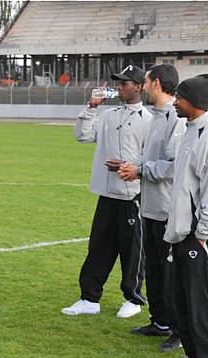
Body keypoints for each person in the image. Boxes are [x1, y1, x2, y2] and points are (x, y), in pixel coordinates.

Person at [159, 74, 208, 358]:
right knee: (183, 300)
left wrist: (202, 234)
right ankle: (192, 354)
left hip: (201, 236)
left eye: (180, 98)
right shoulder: (189, 133)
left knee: (202, 301)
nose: (175, 102)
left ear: (194, 102)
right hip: (182, 233)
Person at [61, 65, 152, 317]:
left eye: (125, 83)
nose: (120, 86)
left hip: (133, 196)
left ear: (139, 87)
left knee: (132, 250)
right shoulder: (109, 115)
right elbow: (82, 136)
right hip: (107, 193)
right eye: (119, 83)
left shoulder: (149, 120)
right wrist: (91, 107)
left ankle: (133, 298)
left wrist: (130, 167)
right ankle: (90, 298)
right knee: (99, 247)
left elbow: (150, 157)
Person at [118, 64, 185, 351]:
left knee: (171, 275)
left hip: (168, 209)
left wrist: (141, 170)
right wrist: (134, 168)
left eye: (145, 82)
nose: (143, 87)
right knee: (154, 270)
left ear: (156, 84)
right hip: (149, 207)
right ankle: (159, 322)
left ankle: (178, 330)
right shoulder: (157, 117)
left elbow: (174, 166)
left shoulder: (176, 119)